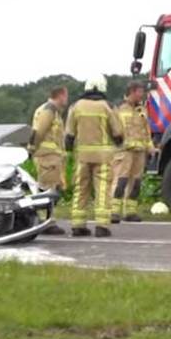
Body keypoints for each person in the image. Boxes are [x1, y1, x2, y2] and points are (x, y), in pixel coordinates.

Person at [65, 75, 124, 237]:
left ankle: (78, 224)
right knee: (103, 189)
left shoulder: (75, 107)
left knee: (80, 189)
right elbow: (118, 133)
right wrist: (119, 142)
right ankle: (102, 225)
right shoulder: (107, 107)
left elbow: (69, 135)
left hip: (82, 156)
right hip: (103, 157)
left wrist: (69, 150)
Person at [28, 86, 69, 235]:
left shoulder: (54, 111)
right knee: (48, 190)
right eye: (66, 95)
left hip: (52, 157)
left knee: (51, 189)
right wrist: (32, 149)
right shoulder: (49, 110)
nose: (67, 99)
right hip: (47, 157)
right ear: (61, 95)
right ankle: (47, 223)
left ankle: (45, 220)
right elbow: (38, 132)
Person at [111, 82, 155, 223]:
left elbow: (146, 130)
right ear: (132, 92)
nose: (141, 95)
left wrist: (150, 146)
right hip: (124, 151)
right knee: (120, 181)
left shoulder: (141, 109)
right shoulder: (118, 108)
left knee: (135, 182)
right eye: (139, 92)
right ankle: (114, 211)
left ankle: (130, 211)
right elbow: (113, 129)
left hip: (139, 151)